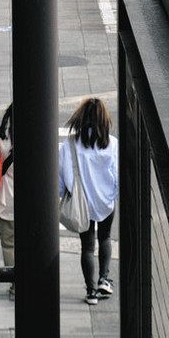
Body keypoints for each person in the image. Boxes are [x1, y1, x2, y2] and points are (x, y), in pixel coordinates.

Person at [59, 97, 119, 306]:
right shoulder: (112, 144)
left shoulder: (70, 145)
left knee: (87, 246)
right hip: (105, 201)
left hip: (81, 204)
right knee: (105, 238)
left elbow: (62, 175)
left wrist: (62, 194)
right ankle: (104, 278)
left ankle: (91, 291)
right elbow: (118, 176)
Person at [0, 104, 16, 299]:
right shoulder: (37, 134)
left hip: (6, 199)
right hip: (32, 202)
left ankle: (15, 282)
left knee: (8, 245)